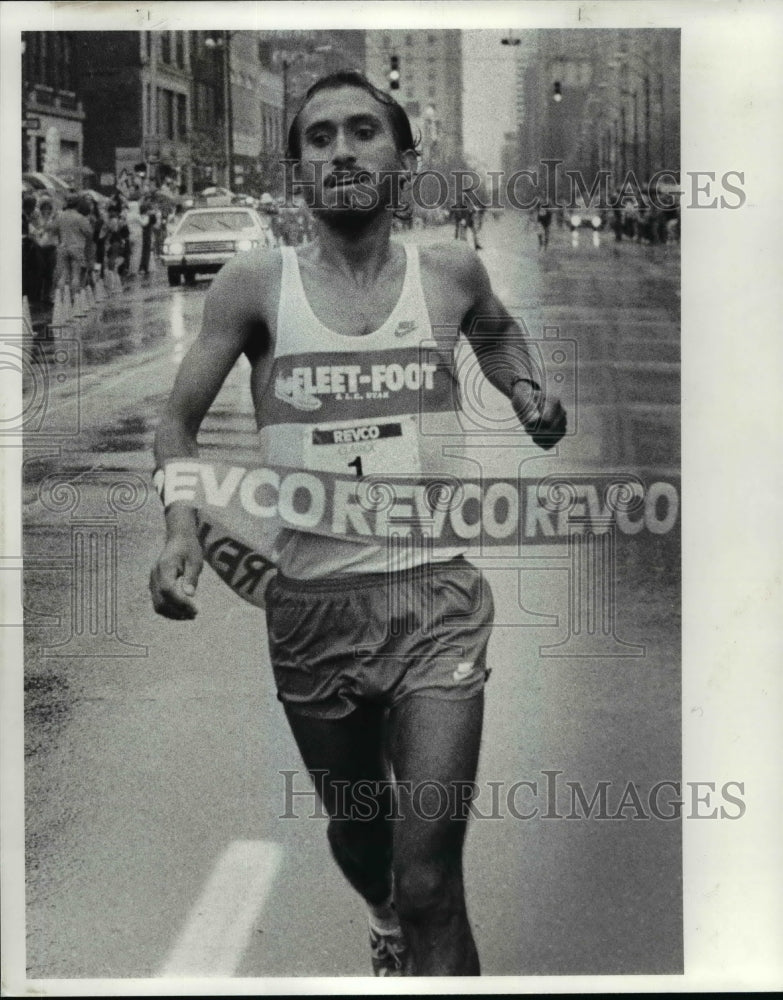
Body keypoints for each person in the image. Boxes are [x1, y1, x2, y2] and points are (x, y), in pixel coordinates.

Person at [149, 70, 566, 977]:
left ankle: (408, 918)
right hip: (312, 611)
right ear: (298, 166)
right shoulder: (254, 284)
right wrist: (181, 526)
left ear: (402, 158)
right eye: (319, 137)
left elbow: (495, 333)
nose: (341, 150)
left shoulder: (449, 271)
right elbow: (174, 421)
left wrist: (524, 389)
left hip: (438, 603)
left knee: (432, 882)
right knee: (359, 830)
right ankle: (380, 915)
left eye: (363, 131)